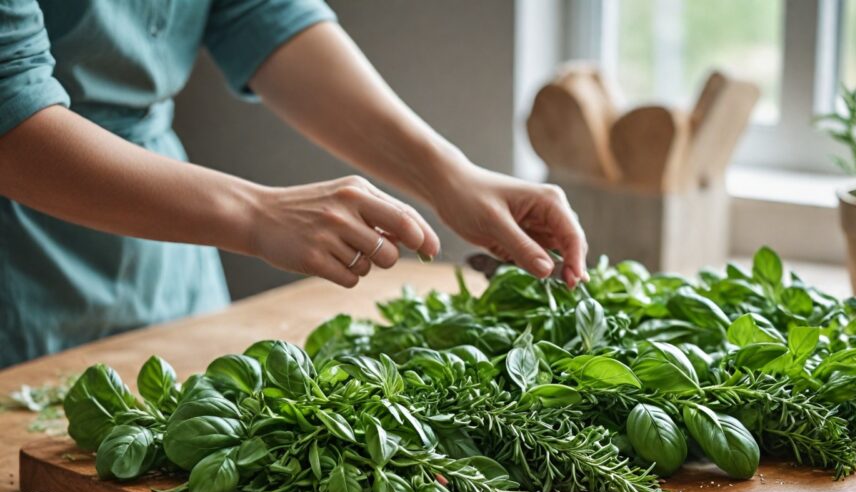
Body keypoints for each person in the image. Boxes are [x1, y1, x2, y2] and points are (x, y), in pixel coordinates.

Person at [0, 0, 588, 371]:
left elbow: (260, 14)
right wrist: (257, 215)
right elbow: (11, 110)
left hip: (167, 270)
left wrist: (448, 176)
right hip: (19, 272)